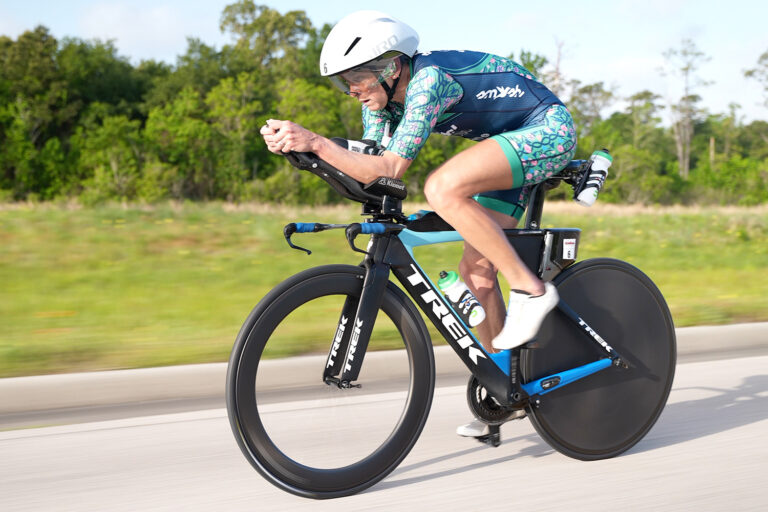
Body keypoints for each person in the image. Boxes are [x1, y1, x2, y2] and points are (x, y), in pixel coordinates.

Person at [260, 10, 577, 438]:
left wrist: (315, 141)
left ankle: (531, 290)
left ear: (390, 67)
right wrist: (305, 149)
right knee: (477, 272)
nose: (351, 90)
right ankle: (508, 389)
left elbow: (392, 165)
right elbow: (372, 164)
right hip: (504, 145)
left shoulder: (427, 80)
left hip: (545, 131)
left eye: (356, 77)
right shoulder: (382, 102)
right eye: (343, 81)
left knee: (442, 188)